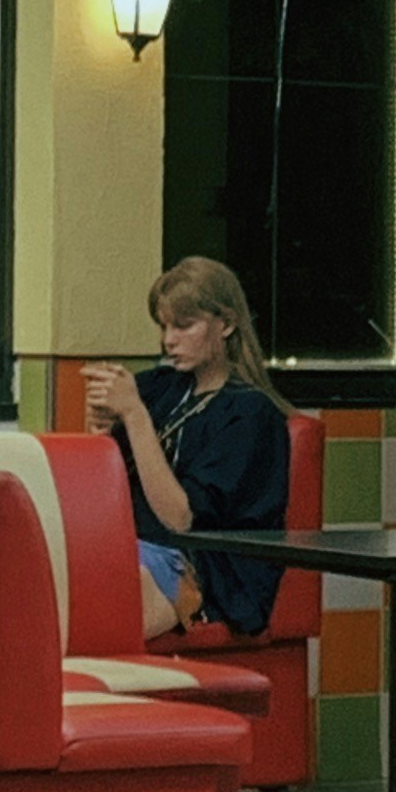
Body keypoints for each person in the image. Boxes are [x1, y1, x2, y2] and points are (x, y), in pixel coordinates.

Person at [84, 256, 296, 641]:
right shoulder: (160, 387)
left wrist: (134, 416)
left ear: (226, 324)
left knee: (90, 602)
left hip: (204, 568)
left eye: (183, 326)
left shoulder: (250, 414)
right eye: (164, 326)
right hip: (134, 544)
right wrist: (101, 427)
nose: (169, 340)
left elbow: (180, 518)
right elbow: (104, 490)